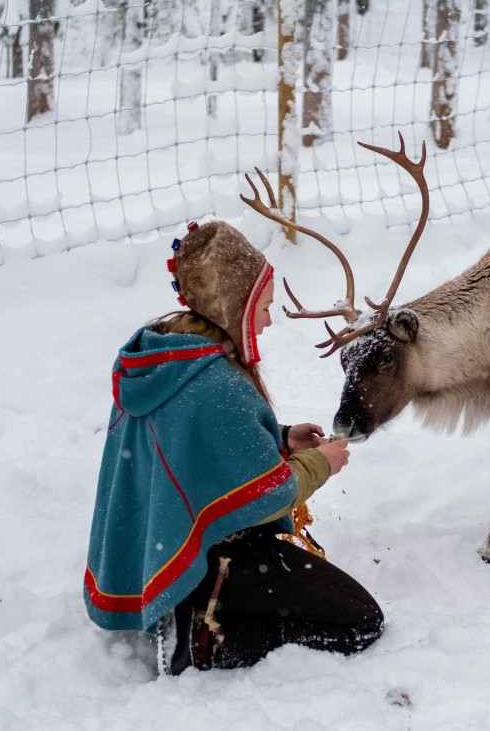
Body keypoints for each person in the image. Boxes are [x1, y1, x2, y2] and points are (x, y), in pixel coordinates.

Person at [83, 220, 383, 674]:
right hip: (216, 557)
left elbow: (194, 443)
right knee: (361, 621)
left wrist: (280, 439)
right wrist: (321, 463)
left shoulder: (164, 356)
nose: (266, 319)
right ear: (234, 305)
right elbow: (271, 494)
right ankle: (207, 638)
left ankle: (193, 605)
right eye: (262, 306)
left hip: (163, 545)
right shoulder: (216, 382)